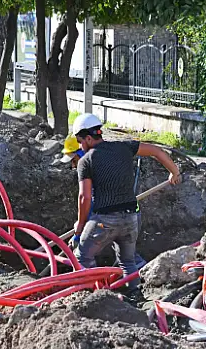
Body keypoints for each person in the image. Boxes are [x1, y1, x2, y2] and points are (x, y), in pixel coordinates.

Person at [71, 113, 180, 297]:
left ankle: (92, 297)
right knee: (128, 261)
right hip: (131, 218)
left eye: (81, 141)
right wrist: (174, 172)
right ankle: (136, 297)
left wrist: (80, 227)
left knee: (82, 256)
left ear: (88, 138)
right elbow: (156, 151)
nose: (81, 146)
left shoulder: (86, 161)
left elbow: (84, 197)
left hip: (104, 220)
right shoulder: (123, 147)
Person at [61, 136, 148, 270]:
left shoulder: (91, 165)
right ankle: (139, 277)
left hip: (114, 216)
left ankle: (86, 285)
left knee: (83, 256)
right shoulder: (102, 161)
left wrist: (79, 233)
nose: (73, 166)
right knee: (127, 257)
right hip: (129, 215)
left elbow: (87, 200)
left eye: (74, 160)